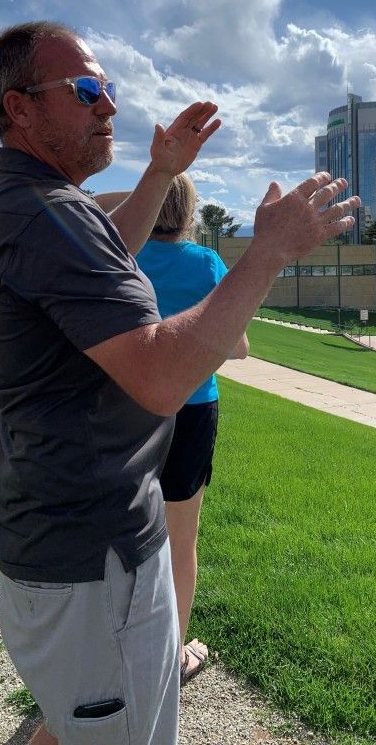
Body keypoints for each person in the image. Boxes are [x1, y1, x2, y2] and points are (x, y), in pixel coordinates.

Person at [0, 20, 359, 745]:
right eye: (87, 90)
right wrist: (269, 250)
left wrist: (156, 173)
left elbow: (104, 257)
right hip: (93, 558)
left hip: (65, 540)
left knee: (73, 724)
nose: (108, 105)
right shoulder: (46, 214)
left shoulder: (31, 205)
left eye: (108, 90)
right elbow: (160, 378)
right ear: (19, 108)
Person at [134, 174, 248, 685]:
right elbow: (238, 345)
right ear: (190, 214)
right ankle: (174, 654)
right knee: (182, 536)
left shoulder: (123, 255)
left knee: (126, 530)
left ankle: (120, 641)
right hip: (194, 408)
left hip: (128, 408)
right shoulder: (205, 263)